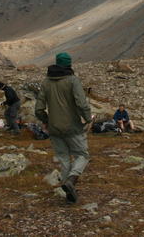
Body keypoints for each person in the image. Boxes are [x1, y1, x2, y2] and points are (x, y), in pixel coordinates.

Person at [35, 52, 93, 203]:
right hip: (72, 127)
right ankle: (72, 181)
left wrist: (46, 121)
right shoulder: (73, 80)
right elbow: (81, 103)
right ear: (69, 64)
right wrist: (88, 119)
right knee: (83, 155)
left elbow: (38, 109)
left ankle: (69, 196)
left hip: (54, 128)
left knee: (64, 160)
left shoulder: (46, 82)